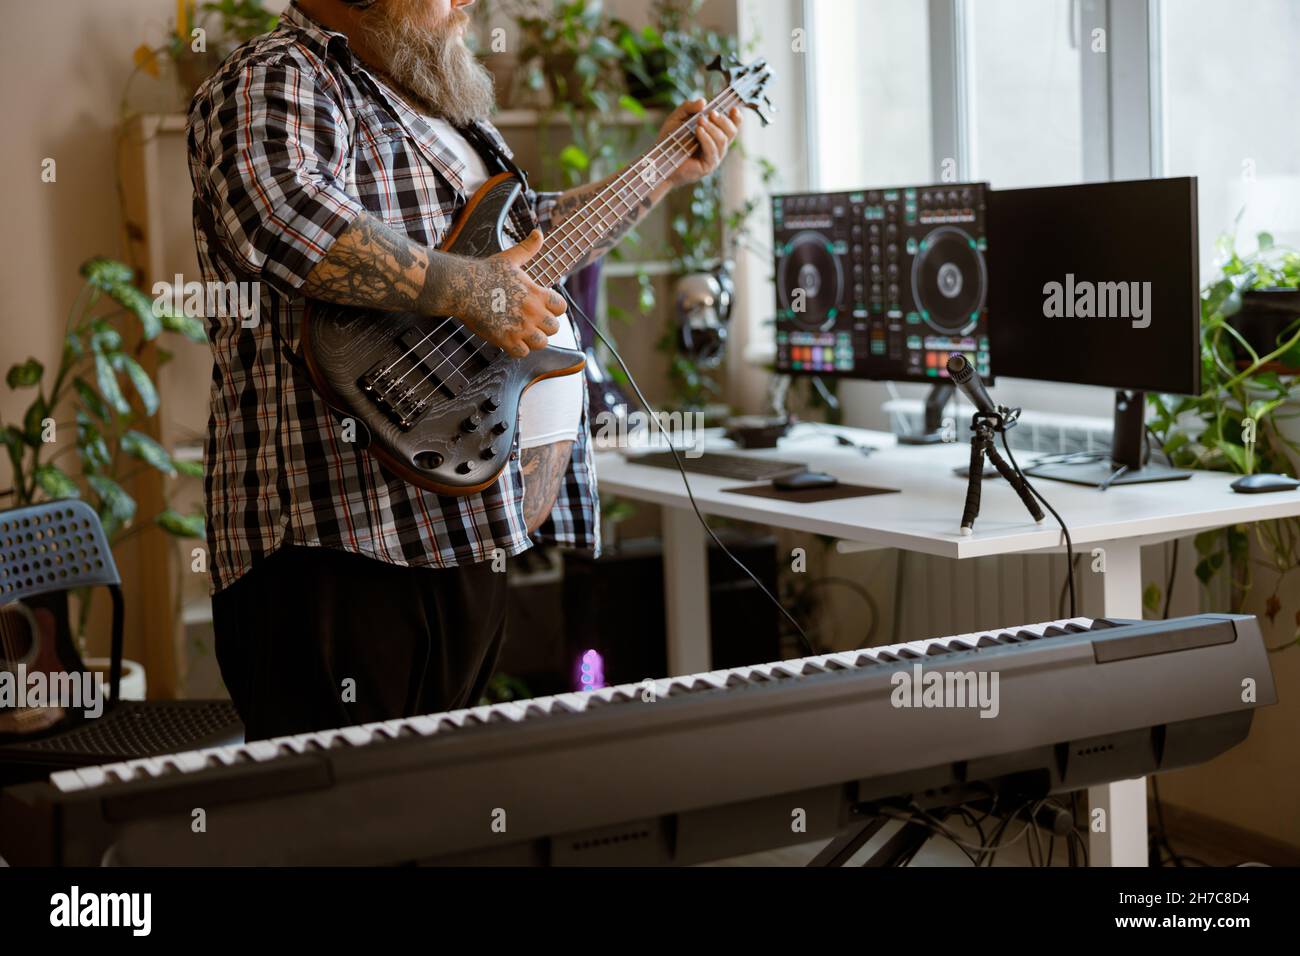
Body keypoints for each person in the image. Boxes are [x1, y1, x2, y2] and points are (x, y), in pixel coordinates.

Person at [186, 0, 741, 739]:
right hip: (333, 545)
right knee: (336, 825)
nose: (469, 2)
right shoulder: (275, 76)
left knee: (432, 817)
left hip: (462, 526)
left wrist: (660, 172)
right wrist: (472, 290)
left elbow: (533, 240)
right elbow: (282, 217)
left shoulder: (443, 116)